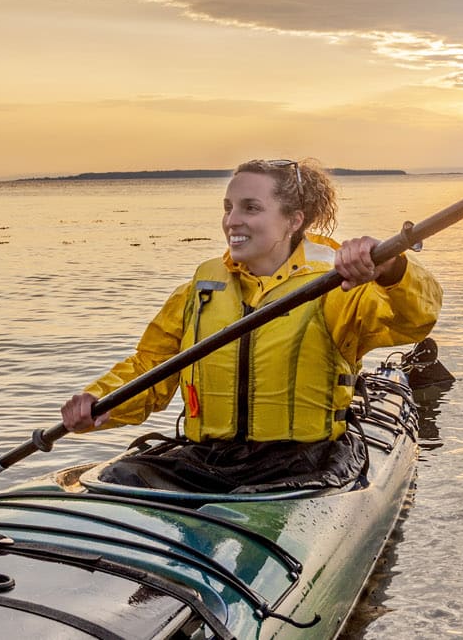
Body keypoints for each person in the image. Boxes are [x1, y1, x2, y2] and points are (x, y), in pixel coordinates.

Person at [60, 158, 442, 492]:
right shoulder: (200, 290)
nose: (232, 220)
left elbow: (414, 320)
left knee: (245, 505)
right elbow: (149, 369)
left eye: (251, 208)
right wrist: (99, 401)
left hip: (304, 462)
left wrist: (392, 268)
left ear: (293, 221)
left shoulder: (337, 287)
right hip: (209, 460)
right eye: (228, 207)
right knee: (118, 477)